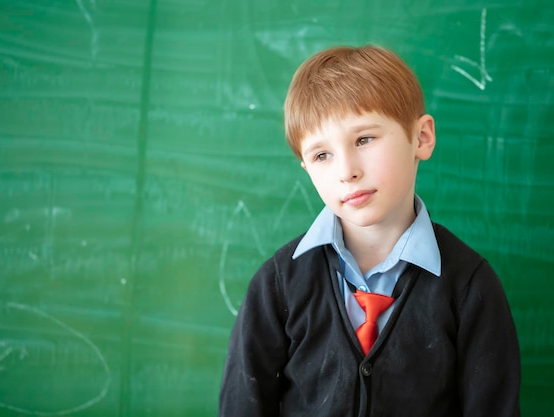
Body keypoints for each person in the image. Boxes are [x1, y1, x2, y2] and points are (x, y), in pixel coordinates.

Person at [219, 44, 520, 417]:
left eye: (364, 139)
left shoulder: (469, 286)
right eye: (322, 155)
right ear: (306, 168)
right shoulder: (278, 285)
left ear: (422, 138)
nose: (347, 170)